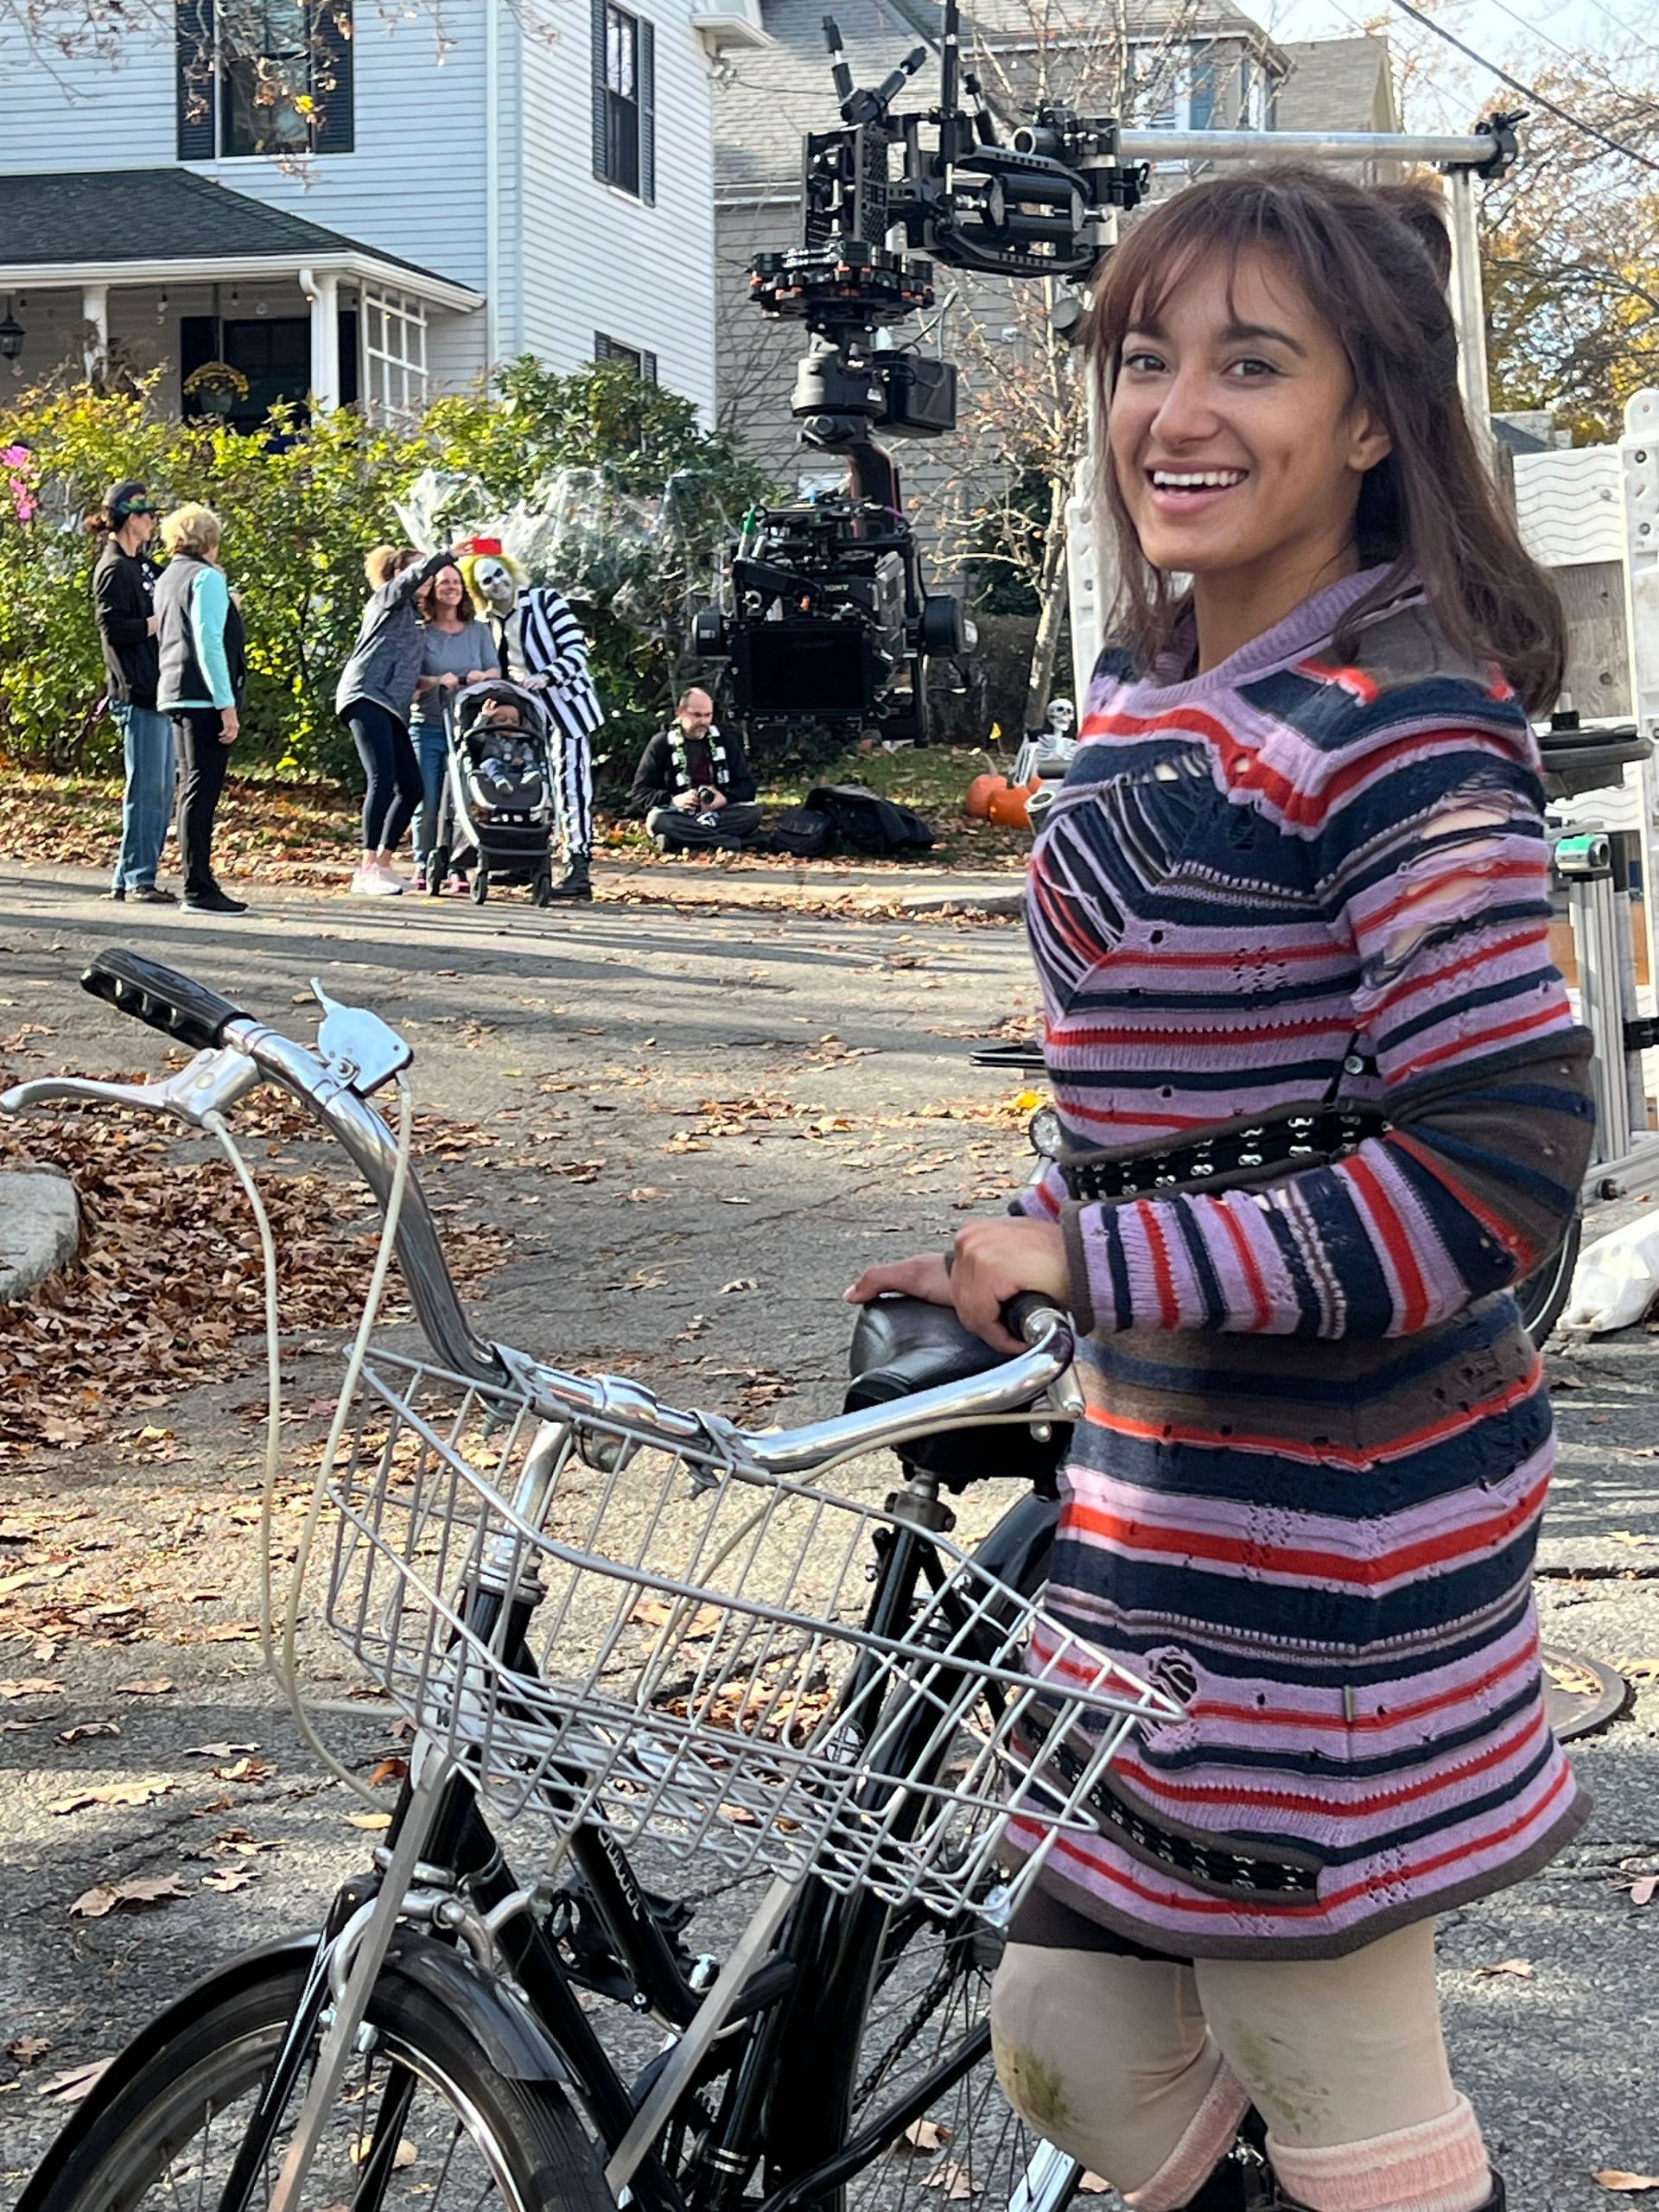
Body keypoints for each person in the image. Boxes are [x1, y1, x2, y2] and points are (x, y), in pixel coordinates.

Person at [848, 168, 1595, 2212]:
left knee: (1335, 2076)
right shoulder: (1154, 699)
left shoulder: (1401, 732)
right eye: (1142, 357)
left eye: (1250, 363)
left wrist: (1086, 1253)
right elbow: (1161, 1096)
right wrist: (1019, 1241)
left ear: (1370, 420)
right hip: (1174, 1505)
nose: (1174, 411)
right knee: (1075, 2042)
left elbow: (1495, 1178)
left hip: (1335, 1545)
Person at [460, 546, 604, 899]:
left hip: (566, 707)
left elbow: (575, 651)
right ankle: (526, 859)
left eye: (499, 573)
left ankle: (578, 864)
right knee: (527, 785)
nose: (497, 583)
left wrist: (546, 677)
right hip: (526, 719)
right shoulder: (489, 622)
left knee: (571, 784)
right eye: (487, 581)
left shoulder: (545, 601)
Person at [336, 542, 465, 896]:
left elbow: (416, 675)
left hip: (391, 705)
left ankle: (383, 863)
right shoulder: (387, 599)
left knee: (411, 787)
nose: (429, 577)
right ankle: (365, 869)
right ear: (398, 575)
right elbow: (413, 577)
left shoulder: (414, 617)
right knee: (382, 778)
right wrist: (446, 554)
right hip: (366, 695)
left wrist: (443, 681)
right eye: (420, 570)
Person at [154, 502, 248, 917]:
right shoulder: (205, 578)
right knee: (200, 791)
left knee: (191, 788)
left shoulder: (168, 577)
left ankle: (198, 880)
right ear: (210, 539)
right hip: (202, 696)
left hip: (173, 688)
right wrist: (226, 704)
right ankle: (198, 886)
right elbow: (209, 642)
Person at [92, 480, 175, 906]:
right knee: (145, 789)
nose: (153, 522)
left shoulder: (142, 564)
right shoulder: (113, 569)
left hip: (157, 689)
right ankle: (136, 878)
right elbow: (112, 629)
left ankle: (136, 875)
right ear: (130, 519)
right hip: (135, 690)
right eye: (148, 516)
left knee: (162, 790)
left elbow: (174, 583)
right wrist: (153, 624)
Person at [410, 561, 496, 887]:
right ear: (432, 590)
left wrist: (478, 678)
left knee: (461, 798)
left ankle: (457, 864)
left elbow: (495, 671)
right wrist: (437, 680)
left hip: (468, 727)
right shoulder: (421, 632)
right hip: (429, 723)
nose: (451, 587)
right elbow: (411, 679)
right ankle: (424, 861)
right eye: (444, 582)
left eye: (456, 582)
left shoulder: (478, 631)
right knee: (428, 798)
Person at [626, 688, 763, 852]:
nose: (704, 721)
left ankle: (683, 841)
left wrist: (724, 798)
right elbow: (640, 793)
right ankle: (732, 842)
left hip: (718, 814)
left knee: (753, 813)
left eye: (708, 715)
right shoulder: (662, 743)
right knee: (657, 820)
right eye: (697, 715)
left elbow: (747, 786)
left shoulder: (725, 741)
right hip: (679, 814)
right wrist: (674, 800)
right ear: (680, 713)